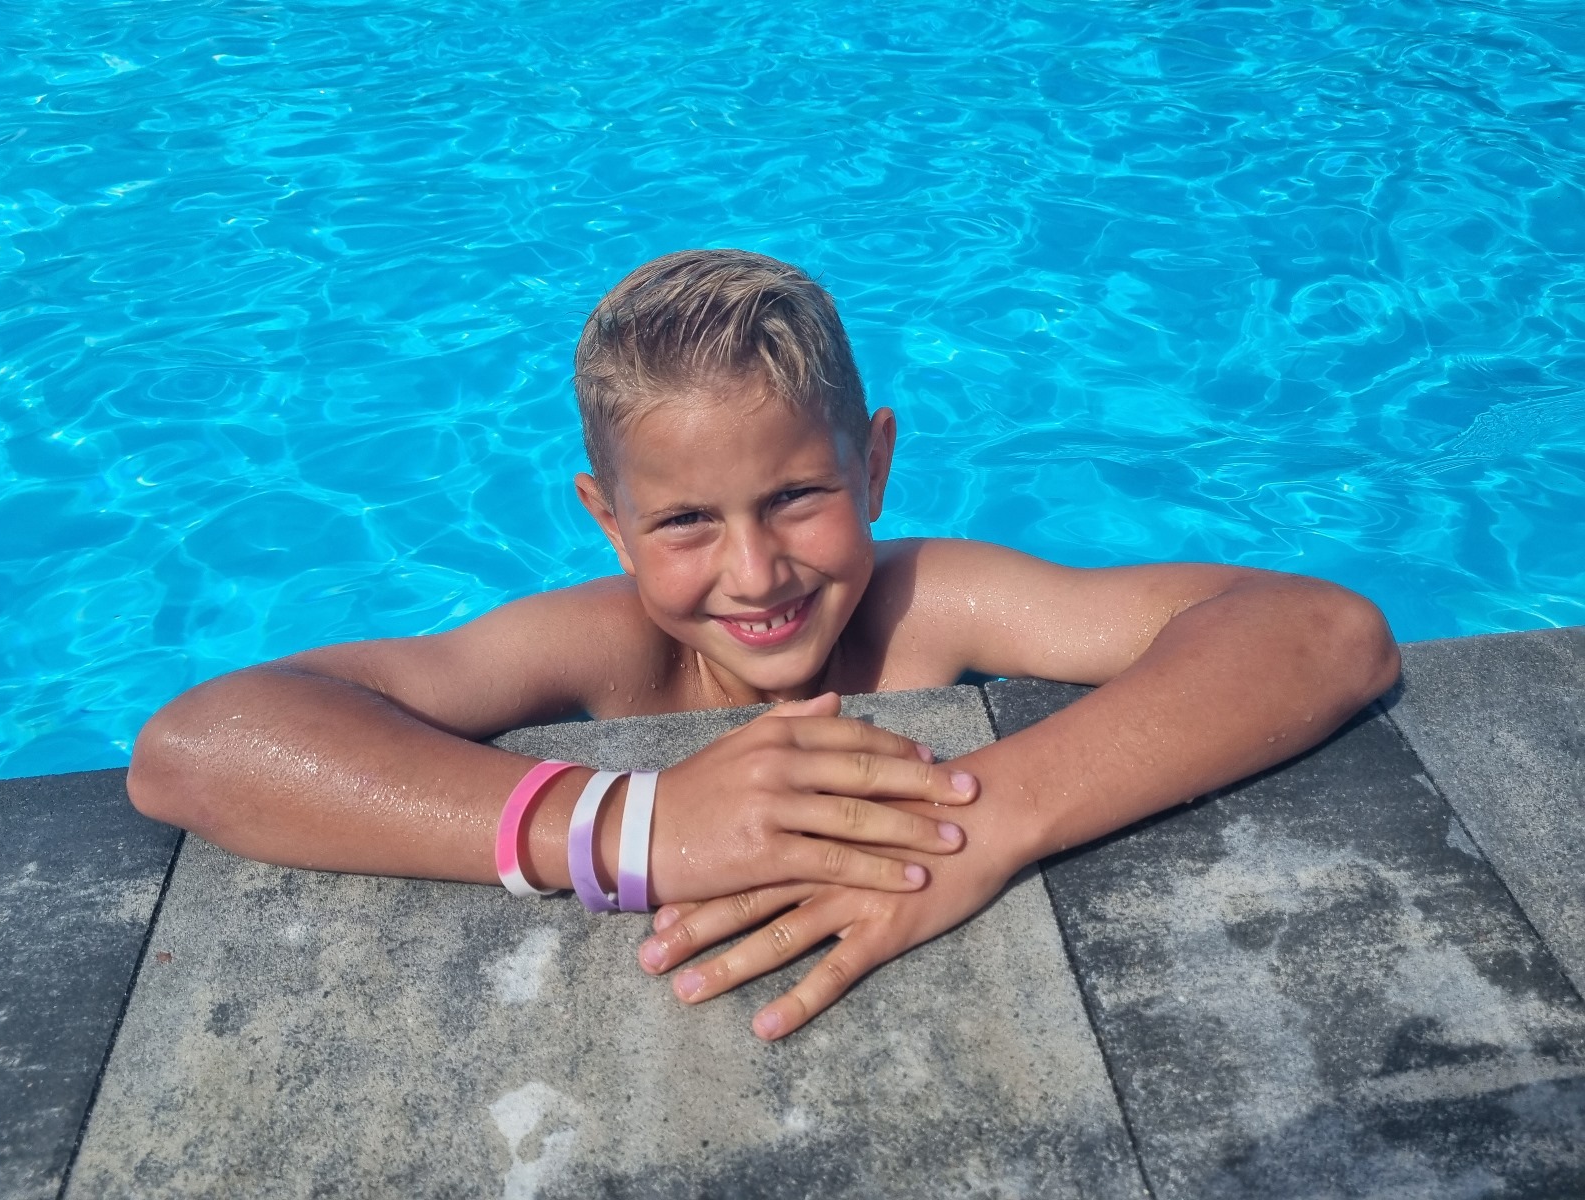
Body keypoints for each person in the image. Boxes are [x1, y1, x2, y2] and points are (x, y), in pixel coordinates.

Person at [128, 248, 1400, 1041]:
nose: (754, 573)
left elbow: (1322, 631)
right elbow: (195, 749)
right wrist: (632, 825)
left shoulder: (928, 603)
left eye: (796, 496)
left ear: (875, 465)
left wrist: (989, 817)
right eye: (685, 521)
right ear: (609, 523)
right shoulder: (602, 650)